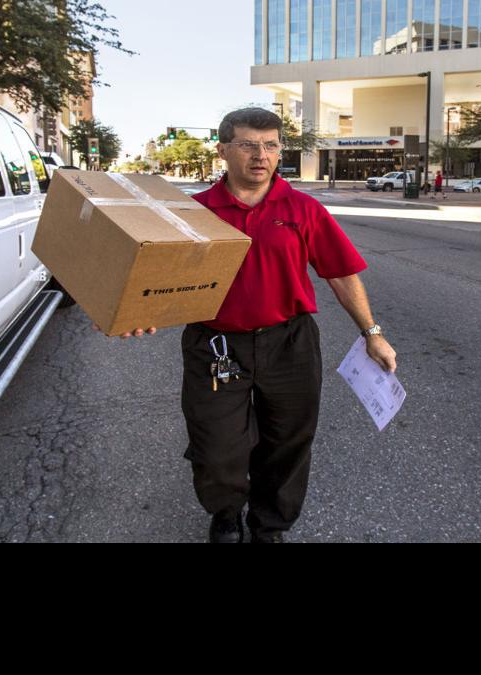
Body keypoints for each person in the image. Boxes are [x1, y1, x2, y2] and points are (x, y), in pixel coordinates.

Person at [109, 108, 397, 543]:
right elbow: (160, 280)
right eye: (247, 145)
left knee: (287, 443)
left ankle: (271, 526)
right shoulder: (194, 211)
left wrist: (372, 333)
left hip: (290, 343)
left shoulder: (303, 209)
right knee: (216, 445)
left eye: (270, 145)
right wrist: (140, 315)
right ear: (223, 149)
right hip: (216, 346)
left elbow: (340, 273)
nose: (260, 156)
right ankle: (226, 513)